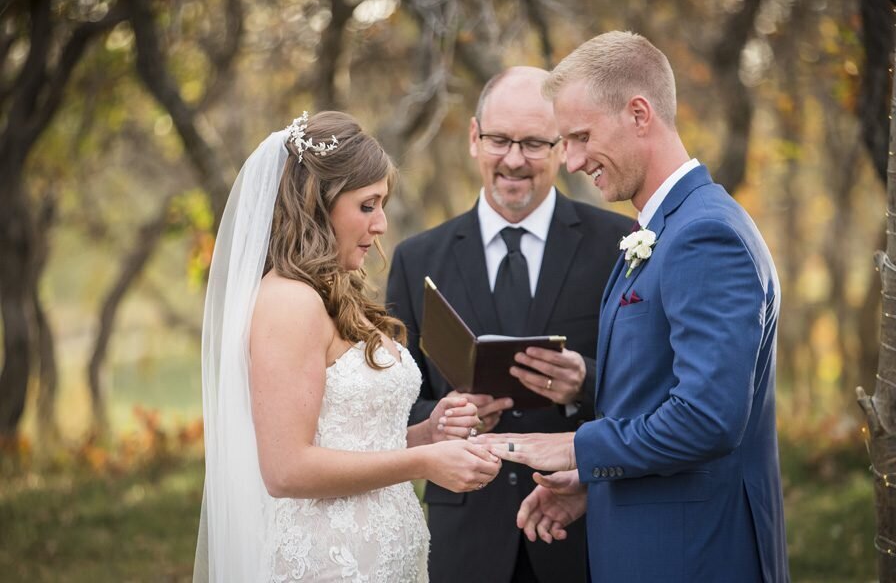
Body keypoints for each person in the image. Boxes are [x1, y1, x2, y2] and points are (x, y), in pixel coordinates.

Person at [480, 32, 790, 582]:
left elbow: (707, 418)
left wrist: (577, 447)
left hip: (696, 558)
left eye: (580, 137)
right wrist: (594, 483)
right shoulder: (665, 229)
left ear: (639, 114)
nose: (571, 161)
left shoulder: (705, 235)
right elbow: (649, 396)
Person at [193, 110, 502, 583]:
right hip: (328, 565)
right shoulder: (287, 304)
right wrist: (424, 462)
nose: (380, 224)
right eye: (366, 205)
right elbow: (286, 470)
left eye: (383, 205)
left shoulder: (329, 293)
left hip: (382, 559)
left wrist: (428, 434)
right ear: (318, 204)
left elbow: (349, 441)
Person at [387, 67, 632, 583]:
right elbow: (397, 400)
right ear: (475, 138)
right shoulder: (417, 259)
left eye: (534, 143)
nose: (514, 159)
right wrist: (445, 417)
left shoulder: (619, 244)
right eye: (499, 139)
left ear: (562, 147)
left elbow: (650, 384)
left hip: (583, 528)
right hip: (465, 535)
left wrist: (586, 380)